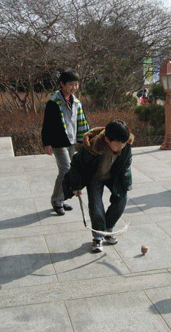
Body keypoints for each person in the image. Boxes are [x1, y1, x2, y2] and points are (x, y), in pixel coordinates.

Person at [63, 120, 134, 253]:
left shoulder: (126, 146)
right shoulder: (93, 146)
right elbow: (77, 165)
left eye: (123, 145)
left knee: (122, 199)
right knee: (96, 205)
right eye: (117, 145)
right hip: (94, 176)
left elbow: (126, 166)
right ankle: (98, 236)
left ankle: (108, 229)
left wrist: (125, 184)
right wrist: (76, 185)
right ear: (107, 140)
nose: (120, 148)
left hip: (113, 176)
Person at [42, 69, 90, 216]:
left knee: (65, 171)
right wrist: (47, 142)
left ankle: (61, 199)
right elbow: (47, 124)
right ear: (62, 84)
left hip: (71, 139)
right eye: (71, 84)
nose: (74, 87)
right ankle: (56, 201)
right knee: (66, 170)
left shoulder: (76, 101)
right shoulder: (54, 102)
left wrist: (85, 137)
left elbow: (81, 120)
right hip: (58, 141)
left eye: (76, 84)